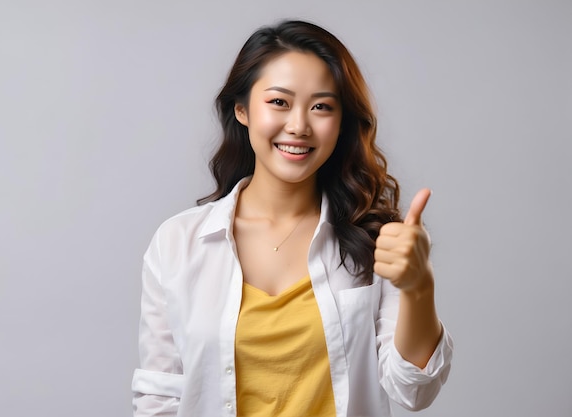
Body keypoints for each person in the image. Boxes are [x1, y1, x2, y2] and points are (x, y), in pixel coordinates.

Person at [132, 19, 453, 417]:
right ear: (242, 109)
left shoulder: (376, 241)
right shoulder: (177, 243)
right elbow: (160, 397)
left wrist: (419, 286)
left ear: (341, 122)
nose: (299, 126)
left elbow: (413, 392)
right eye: (279, 102)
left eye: (321, 106)